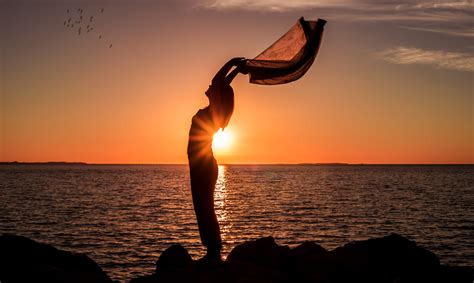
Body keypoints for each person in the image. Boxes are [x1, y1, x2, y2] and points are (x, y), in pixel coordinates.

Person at [187, 57, 246, 262]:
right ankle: (212, 251)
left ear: (218, 95)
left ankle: (213, 253)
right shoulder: (215, 110)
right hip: (200, 165)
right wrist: (236, 71)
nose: (209, 87)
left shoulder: (214, 112)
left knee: (205, 207)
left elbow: (218, 81)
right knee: (202, 207)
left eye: (213, 87)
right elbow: (222, 84)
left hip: (202, 165)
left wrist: (232, 62)